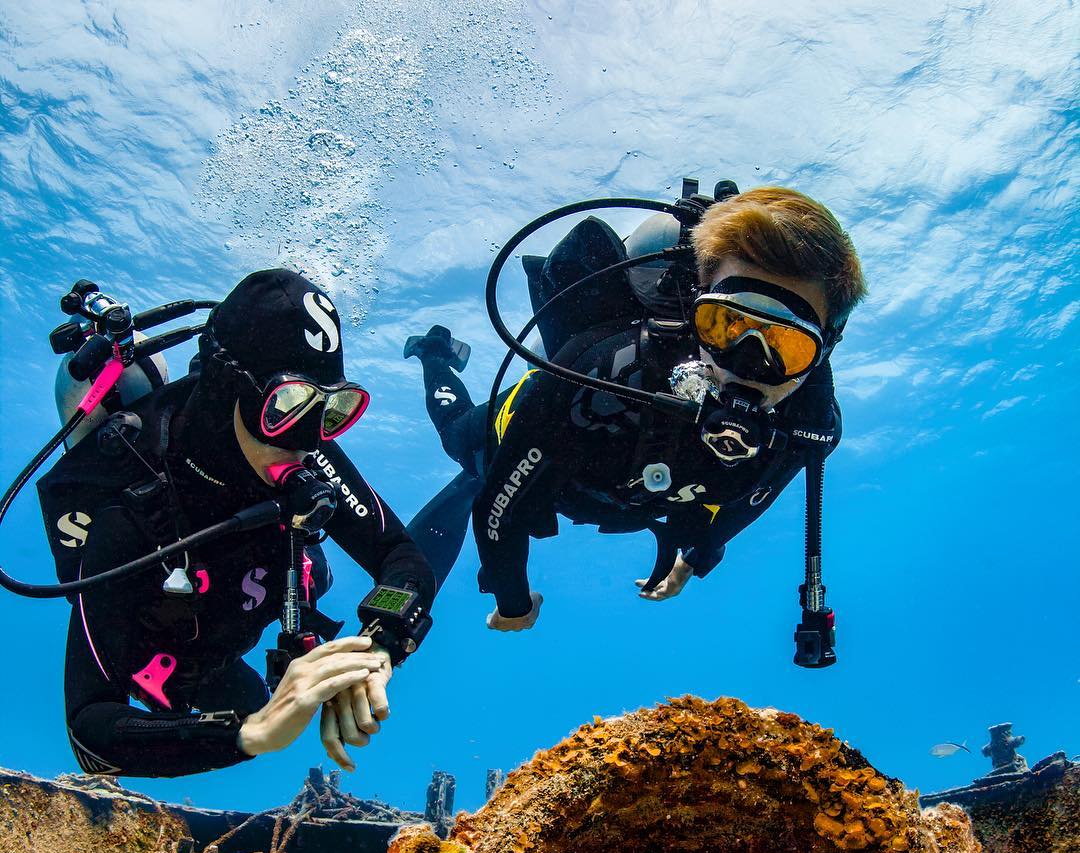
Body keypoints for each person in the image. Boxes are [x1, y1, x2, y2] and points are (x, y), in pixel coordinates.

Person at [406, 185, 866, 632]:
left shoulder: (808, 425)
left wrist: (697, 554)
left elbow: (750, 500)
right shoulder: (599, 370)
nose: (747, 365)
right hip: (531, 452)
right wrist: (513, 603)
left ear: (825, 347)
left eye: (787, 345)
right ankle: (434, 353)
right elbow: (497, 508)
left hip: (629, 498)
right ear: (696, 301)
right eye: (725, 324)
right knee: (458, 442)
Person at [41, 269, 436, 777]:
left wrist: (378, 643)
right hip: (166, 658)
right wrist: (246, 735)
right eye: (287, 405)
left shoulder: (302, 446)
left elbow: (399, 554)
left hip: (239, 620)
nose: (308, 441)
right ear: (230, 390)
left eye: (332, 408)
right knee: (243, 702)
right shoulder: (129, 508)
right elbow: (89, 725)